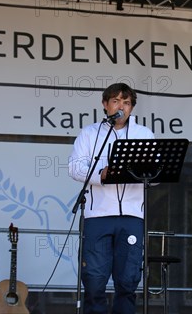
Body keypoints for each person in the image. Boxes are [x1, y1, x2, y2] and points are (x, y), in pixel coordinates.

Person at [69, 82, 155, 314]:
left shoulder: (144, 134)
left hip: (132, 217)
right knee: (94, 281)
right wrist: (101, 174)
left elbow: (157, 176)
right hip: (97, 217)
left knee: (127, 282)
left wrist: (141, 172)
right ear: (105, 105)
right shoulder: (89, 133)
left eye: (126, 103)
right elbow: (75, 168)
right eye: (116, 101)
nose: (121, 106)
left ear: (132, 108)